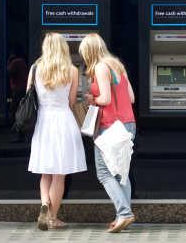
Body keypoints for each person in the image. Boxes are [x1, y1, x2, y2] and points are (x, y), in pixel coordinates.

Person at [28, 33, 87, 230]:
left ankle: (45, 204)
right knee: (59, 175)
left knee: (45, 173)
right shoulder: (71, 70)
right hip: (63, 121)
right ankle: (52, 218)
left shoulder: (35, 69)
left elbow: (30, 95)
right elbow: (71, 102)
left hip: (43, 122)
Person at [79, 33, 137, 233]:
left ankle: (124, 213)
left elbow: (104, 99)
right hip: (128, 123)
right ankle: (121, 216)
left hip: (110, 125)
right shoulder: (118, 65)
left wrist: (90, 98)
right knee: (122, 173)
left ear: (89, 51)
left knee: (104, 173)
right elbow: (131, 97)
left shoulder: (101, 67)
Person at [7, 46, 28, 142]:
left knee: (15, 111)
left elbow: (8, 72)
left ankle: (19, 135)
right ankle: (21, 135)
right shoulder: (22, 61)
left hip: (17, 89)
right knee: (20, 111)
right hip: (22, 88)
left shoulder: (16, 62)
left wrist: (9, 60)